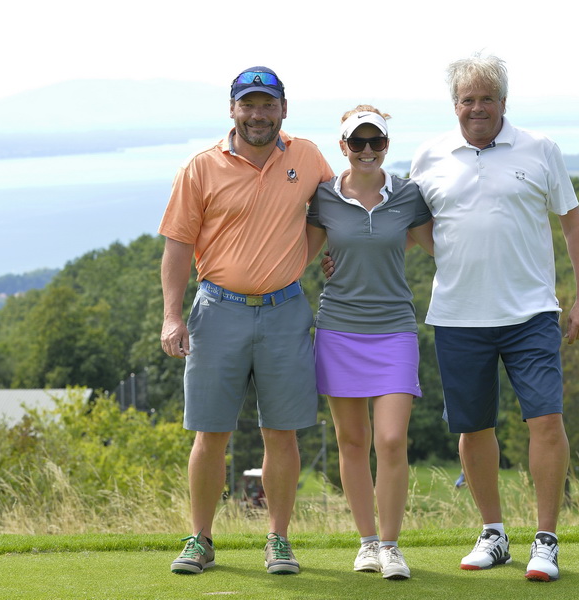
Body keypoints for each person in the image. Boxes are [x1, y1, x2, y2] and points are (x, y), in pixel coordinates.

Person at [410, 53, 579, 581]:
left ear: (504, 102)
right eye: (467, 99)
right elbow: (410, 224)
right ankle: (493, 534)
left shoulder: (539, 149)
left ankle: (546, 541)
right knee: (473, 429)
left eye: (487, 98)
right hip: (458, 316)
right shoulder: (429, 156)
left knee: (546, 421)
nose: (477, 108)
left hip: (531, 313)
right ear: (455, 105)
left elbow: (574, 223)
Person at [158, 66, 333, 576]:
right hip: (217, 310)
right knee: (210, 432)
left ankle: (278, 539)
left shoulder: (307, 156)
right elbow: (177, 246)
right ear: (232, 109)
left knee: (282, 433)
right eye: (249, 104)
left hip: (285, 311)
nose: (259, 114)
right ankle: (201, 538)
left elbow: (332, 212)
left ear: (284, 109)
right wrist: (171, 317)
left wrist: (314, 257)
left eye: (268, 104)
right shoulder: (201, 167)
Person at [306, 105, 434, 581]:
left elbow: (440, 247)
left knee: (392, 439)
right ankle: (366, 543)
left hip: (395, 328)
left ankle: (392, 545)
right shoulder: (323, 197)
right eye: (357, 142)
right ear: (343, 147)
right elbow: (299, 254)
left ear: (386, 145)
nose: (366, 150)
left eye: (375, 141)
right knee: (353, 441)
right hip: (338, 329)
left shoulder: (407, 194)